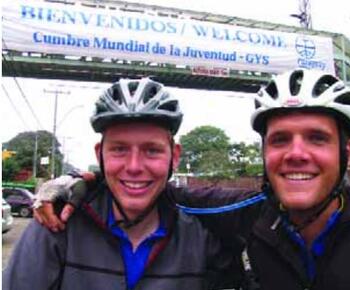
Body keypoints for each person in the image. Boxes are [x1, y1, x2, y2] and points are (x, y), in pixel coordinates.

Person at [31, 69, 350, 290]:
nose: (296, 153)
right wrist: (77, 184)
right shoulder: (239, 215)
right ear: (264, 154)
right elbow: (143, 184)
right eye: (280, 140)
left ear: (347, 153)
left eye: (317, 138)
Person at [3, 78, 245, 290]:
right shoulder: (56, 223)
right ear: (100, 155)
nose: (134, 166)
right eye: (119, 149)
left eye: (152, 150)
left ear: (175, 156)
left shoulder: (203, 236)